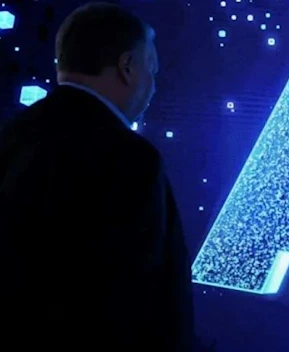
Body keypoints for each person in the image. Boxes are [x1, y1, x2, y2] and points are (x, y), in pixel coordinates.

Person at [0, 3, 194, 351]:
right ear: (128, 67)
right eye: (152, 71)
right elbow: (139, 302)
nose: (152, 87)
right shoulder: (130, 159)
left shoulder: (12, 135)